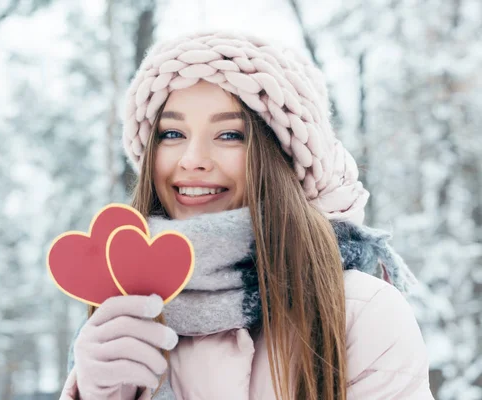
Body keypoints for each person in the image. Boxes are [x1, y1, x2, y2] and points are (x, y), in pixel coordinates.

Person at [59, 31, 433, 400]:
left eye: (229, 136)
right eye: (172, 133)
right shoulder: (122, 317)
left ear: (282, 158)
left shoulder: (359, 313)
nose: (192, 160)